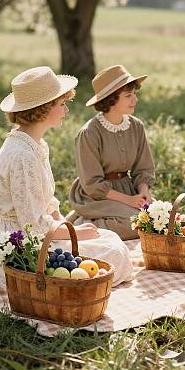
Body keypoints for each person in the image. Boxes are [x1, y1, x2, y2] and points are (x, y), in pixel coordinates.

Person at [0, 66, 134, 287]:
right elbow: (32, 226)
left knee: (111, 241)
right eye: (61, 104)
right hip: (14, 244)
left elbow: (47, 204)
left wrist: (69, 228)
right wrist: (76, 235)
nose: (66, 111)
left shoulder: (35, 143)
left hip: (32, 231)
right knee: (112, 253)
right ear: (43, 109)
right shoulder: (23, 155)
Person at [66, 65, 155, 240]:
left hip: (129, 189)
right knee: (138, 224)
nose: (135, 100)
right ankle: (82, 224)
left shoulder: (136, 126)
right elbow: (92, 185)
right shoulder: (89, 133)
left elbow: (143, 168)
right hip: (96, 197)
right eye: (128, 96)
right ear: (110, 100)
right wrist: (129, 201)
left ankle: (99, 222)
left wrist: (144, 192)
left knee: (158, 219)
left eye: (134, 94)